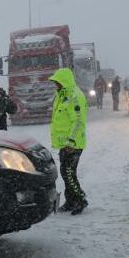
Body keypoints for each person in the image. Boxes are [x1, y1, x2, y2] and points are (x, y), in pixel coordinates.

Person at [49, 68, 88, 214]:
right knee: (65, 173)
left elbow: (78, 121)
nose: (55, 85)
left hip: (74, 144)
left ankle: (80, 199)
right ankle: (71, 201)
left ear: (63, 81)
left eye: (57, 82)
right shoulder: (62, 95)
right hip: (65, 144)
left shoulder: (74, 96)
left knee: (69, 173)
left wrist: (71, 142)